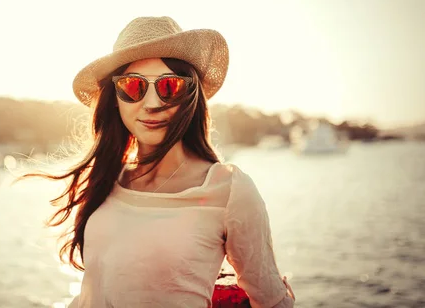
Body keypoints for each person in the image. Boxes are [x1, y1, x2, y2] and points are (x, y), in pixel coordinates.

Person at [27, 16, 295, 307]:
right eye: (132, 86)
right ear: (114, 99)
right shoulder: (106, 179)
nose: (152, 104)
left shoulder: (229, 190)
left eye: (169, 86)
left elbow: (272, 301)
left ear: (190, 96)